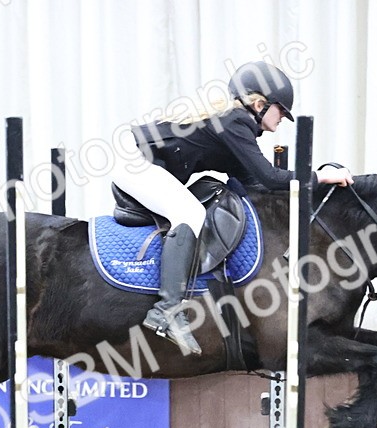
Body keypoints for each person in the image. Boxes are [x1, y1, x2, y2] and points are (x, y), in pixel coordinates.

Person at [111, 61, 354, 355]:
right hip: (133, 159)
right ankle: (166, 309)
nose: (283, 120)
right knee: (190, 214)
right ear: (261, 103)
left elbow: (256, 186)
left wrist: (315, 195)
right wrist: (321, 176)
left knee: (195, 208)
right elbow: (270, 177)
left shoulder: (236, 127)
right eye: (282, 111)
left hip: (140, 159)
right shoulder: (235, 121)